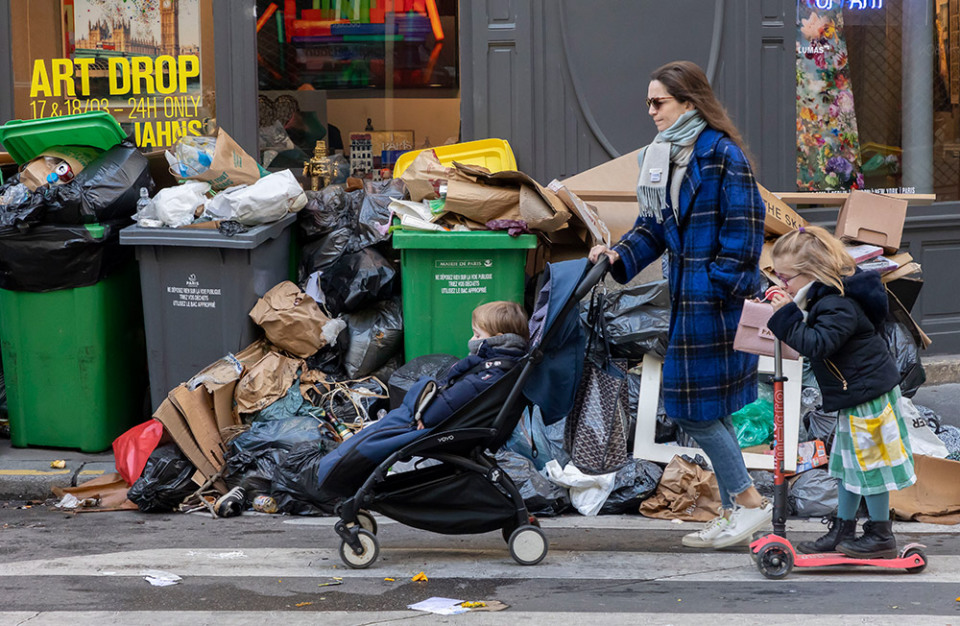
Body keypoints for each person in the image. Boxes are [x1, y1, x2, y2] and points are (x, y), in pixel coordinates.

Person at [589, 60, 769, 549]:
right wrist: (618, 256)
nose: (651, 111)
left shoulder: (722, 155)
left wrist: (717, 286)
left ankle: (749, 502)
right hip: (689, 299)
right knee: (712, 409)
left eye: (659, 102)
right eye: (648, 102)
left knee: (691, 410)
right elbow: (653, 226)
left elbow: (745, 230)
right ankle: (735, 512)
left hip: (713, 303)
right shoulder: (663, 156)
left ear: (689, 103)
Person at [766, 225, 915, 558]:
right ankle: (843, 527)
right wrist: (790, 308)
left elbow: (817, 344)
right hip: (856, 394)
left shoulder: (838, 305)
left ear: (812, 272)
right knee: (848, 466)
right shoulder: (825, 297)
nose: (781, 283)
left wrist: (786, 316)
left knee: (870, 466)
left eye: (785, 278)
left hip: (868, 396)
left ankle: (880, 534)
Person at [314, 301, 529, 495]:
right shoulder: (500, 369)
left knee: (381, 435)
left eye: (477, 335)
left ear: (497, 338)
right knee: (382, 430)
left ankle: (336, 474)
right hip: (451, 425)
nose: (471, 340)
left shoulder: (488, 375)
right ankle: (340, 471)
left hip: (437, 426)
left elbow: (452, 400)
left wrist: (424, 415)